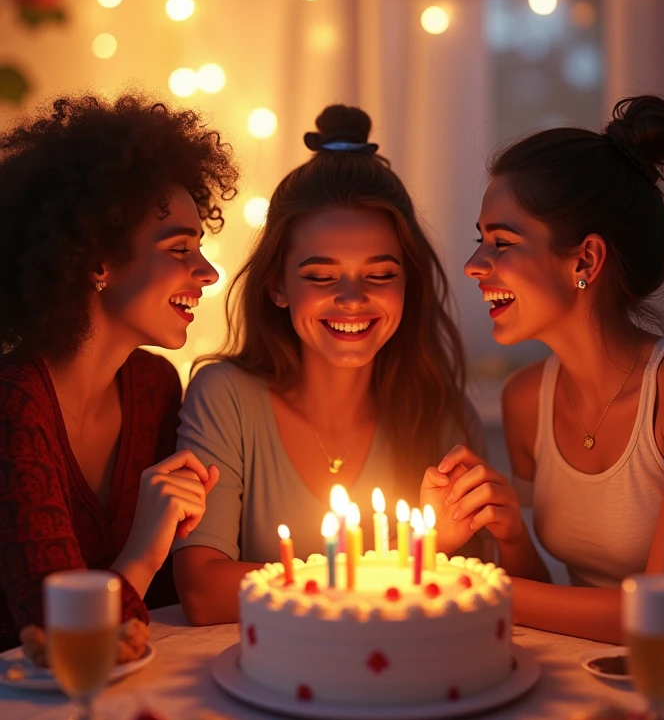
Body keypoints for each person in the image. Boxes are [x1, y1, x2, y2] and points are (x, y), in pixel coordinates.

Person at [173, 104, 486, 624]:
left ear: (409, 283)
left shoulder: (440, 413)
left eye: (380, 275)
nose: (351, 298)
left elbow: (479, 596)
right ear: (277, 285)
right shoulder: (225, 396)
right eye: (321, 277)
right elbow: (205, 593)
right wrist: (397, 567)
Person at [438, 94, 664, 643]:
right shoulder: (525, 399)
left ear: (585, 260)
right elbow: (548, 604)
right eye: (481, 240)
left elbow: (662, 617)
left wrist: (466, 584)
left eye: (502, 242)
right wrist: (508, 534)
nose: (474, 265)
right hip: (582, 683)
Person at [0, 93, 238, 650]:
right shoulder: (14, 403)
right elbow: (57, 640)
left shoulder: (154, 386)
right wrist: (143, 553)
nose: (206, 272)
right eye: (179, 248)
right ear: (96, 261)